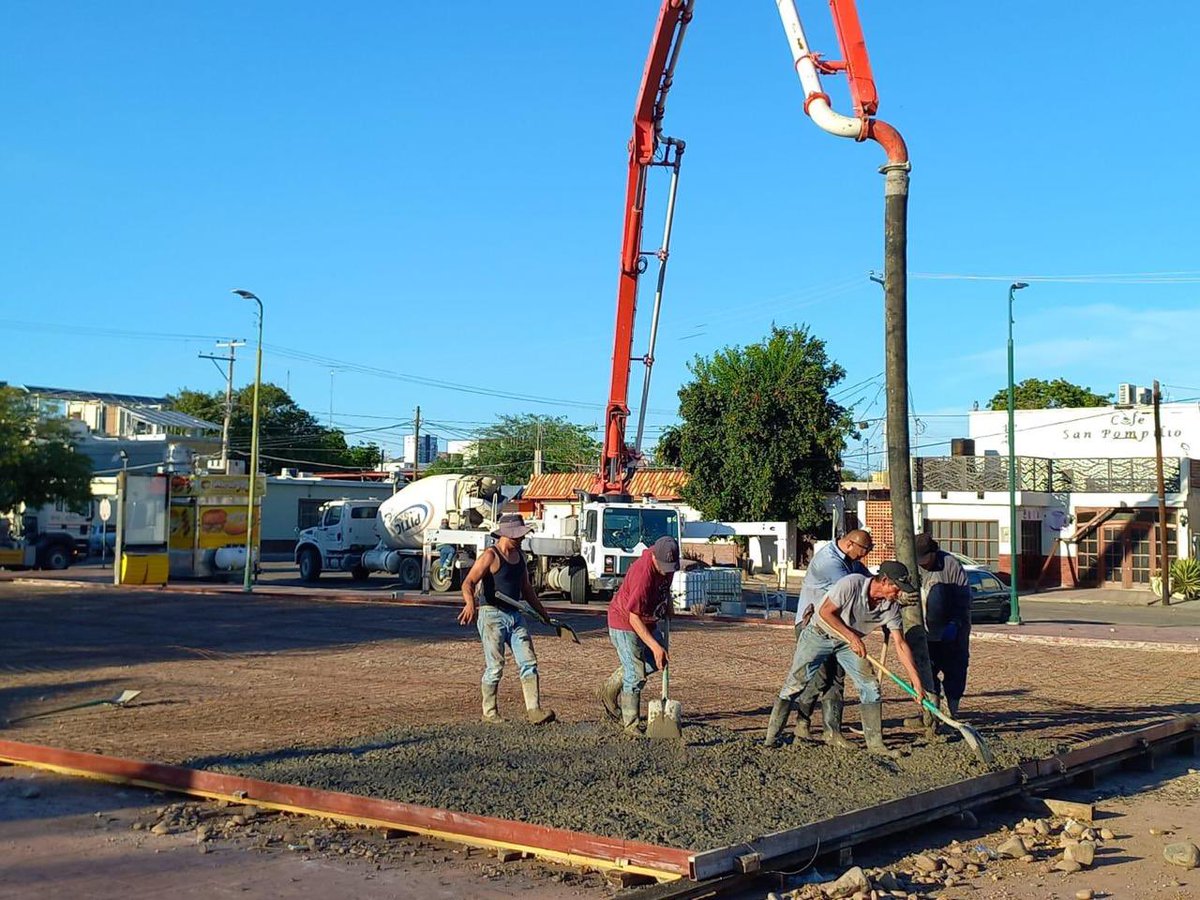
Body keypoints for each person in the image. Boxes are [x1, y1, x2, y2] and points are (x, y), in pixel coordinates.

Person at [770, 562, 926, 757]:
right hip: (819, 634)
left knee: (871, 687)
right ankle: (772, 739)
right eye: (897, 588)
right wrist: (852, 637)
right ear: (884, 581)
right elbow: (825, 612)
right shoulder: (851, 584)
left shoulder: (890, 607)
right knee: (796, 683)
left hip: (847, 644)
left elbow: (901, 645)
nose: (898, 594)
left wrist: (917, 683)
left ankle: (876, 744)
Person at [766, 529, 874, 748]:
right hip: (812, 628)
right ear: (851, 544)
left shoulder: (852, 561)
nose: (865, 556)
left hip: (837, 628)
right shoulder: (829, 562)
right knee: (817, 679)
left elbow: (868, 582)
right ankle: (800, 726)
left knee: (836, 679)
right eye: (864, 551)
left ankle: (832, 731)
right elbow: (854, 589)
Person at [458, 514, 555, 726]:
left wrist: (543, 614)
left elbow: (527, 590)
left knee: (529, 661)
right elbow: (468, 583)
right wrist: (469, 603)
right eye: (517, 537)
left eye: (521, 536)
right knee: (495, 666)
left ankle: (534, 710)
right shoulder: (491, 556)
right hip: (492, 615)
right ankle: (490, 711)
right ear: (505, 535)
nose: (520, 540)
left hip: (515, 615)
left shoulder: (520, 557)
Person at [599, 536, 679, 734]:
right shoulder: (643, 574)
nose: (666, 570)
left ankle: (610, 686)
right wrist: (654, 645)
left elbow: (665, 587)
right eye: (663, 566)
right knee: (636, 675)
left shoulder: (668, 564)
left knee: (658, 660)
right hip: (625, 622)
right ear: (654, 557)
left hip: (648, 619)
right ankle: (631, 724)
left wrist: (668, 604)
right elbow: (633, 617)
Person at [915, 533, 972, 716]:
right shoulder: (911, 565)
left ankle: (952, 710)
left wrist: (955, 622)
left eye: (925, 558)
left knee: (955, 669)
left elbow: (963, 599)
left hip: (951, 628)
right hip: (923, 630)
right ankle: (931, 712)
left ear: (934, 552)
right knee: (925, 670)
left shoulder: (950, 565)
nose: (922, 563)